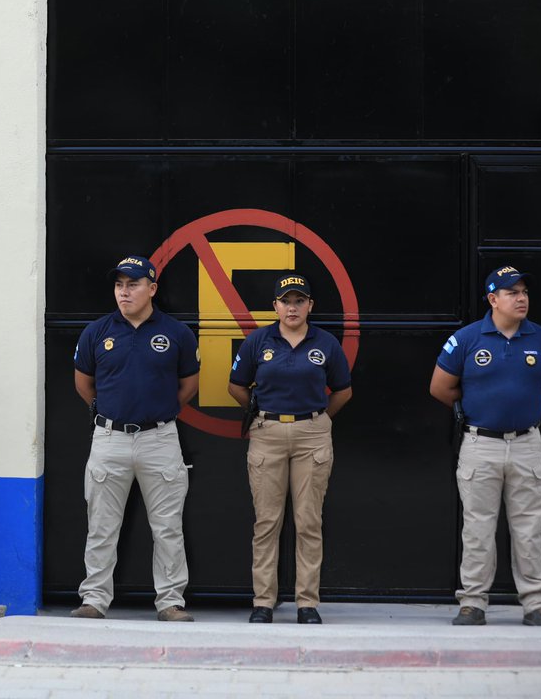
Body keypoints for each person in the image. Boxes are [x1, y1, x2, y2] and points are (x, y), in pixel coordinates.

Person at [71, 256, 200, 622]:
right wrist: (110, 412)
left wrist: (156, 413)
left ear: (152, 288)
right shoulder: (97, 332)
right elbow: (84, 383)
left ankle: (170, 601)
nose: (124, 292)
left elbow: (188, 385)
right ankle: (94, 599)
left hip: (160, 439)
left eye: (133, 284)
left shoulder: (177, 333)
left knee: (168, 527)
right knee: (101, 526)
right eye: (119, 285)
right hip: (109, 438)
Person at [227, 274, 352, 625]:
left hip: (311, 435)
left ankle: (306, 603)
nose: (292, 308)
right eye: (285, 301)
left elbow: (343, 391)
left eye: (299, 301)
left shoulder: (325, 343)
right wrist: (260, 413)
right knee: (267, 521)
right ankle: (263, 602)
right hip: (267, 433)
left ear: (310, 305)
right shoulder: (258, 341)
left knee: (308, 521)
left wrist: (317, 420)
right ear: (275, 306)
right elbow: (236, 386)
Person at [429, 266, 541, 627]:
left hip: (527, 443)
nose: (521, 298)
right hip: (481, 444)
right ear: (493, 299)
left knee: (530, 527)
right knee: (478, 527)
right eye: (512, 293)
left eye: (524, 292)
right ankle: (473, 602)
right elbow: (440, 387)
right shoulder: (466, 339)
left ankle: (536, 603)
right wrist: (476, 410)